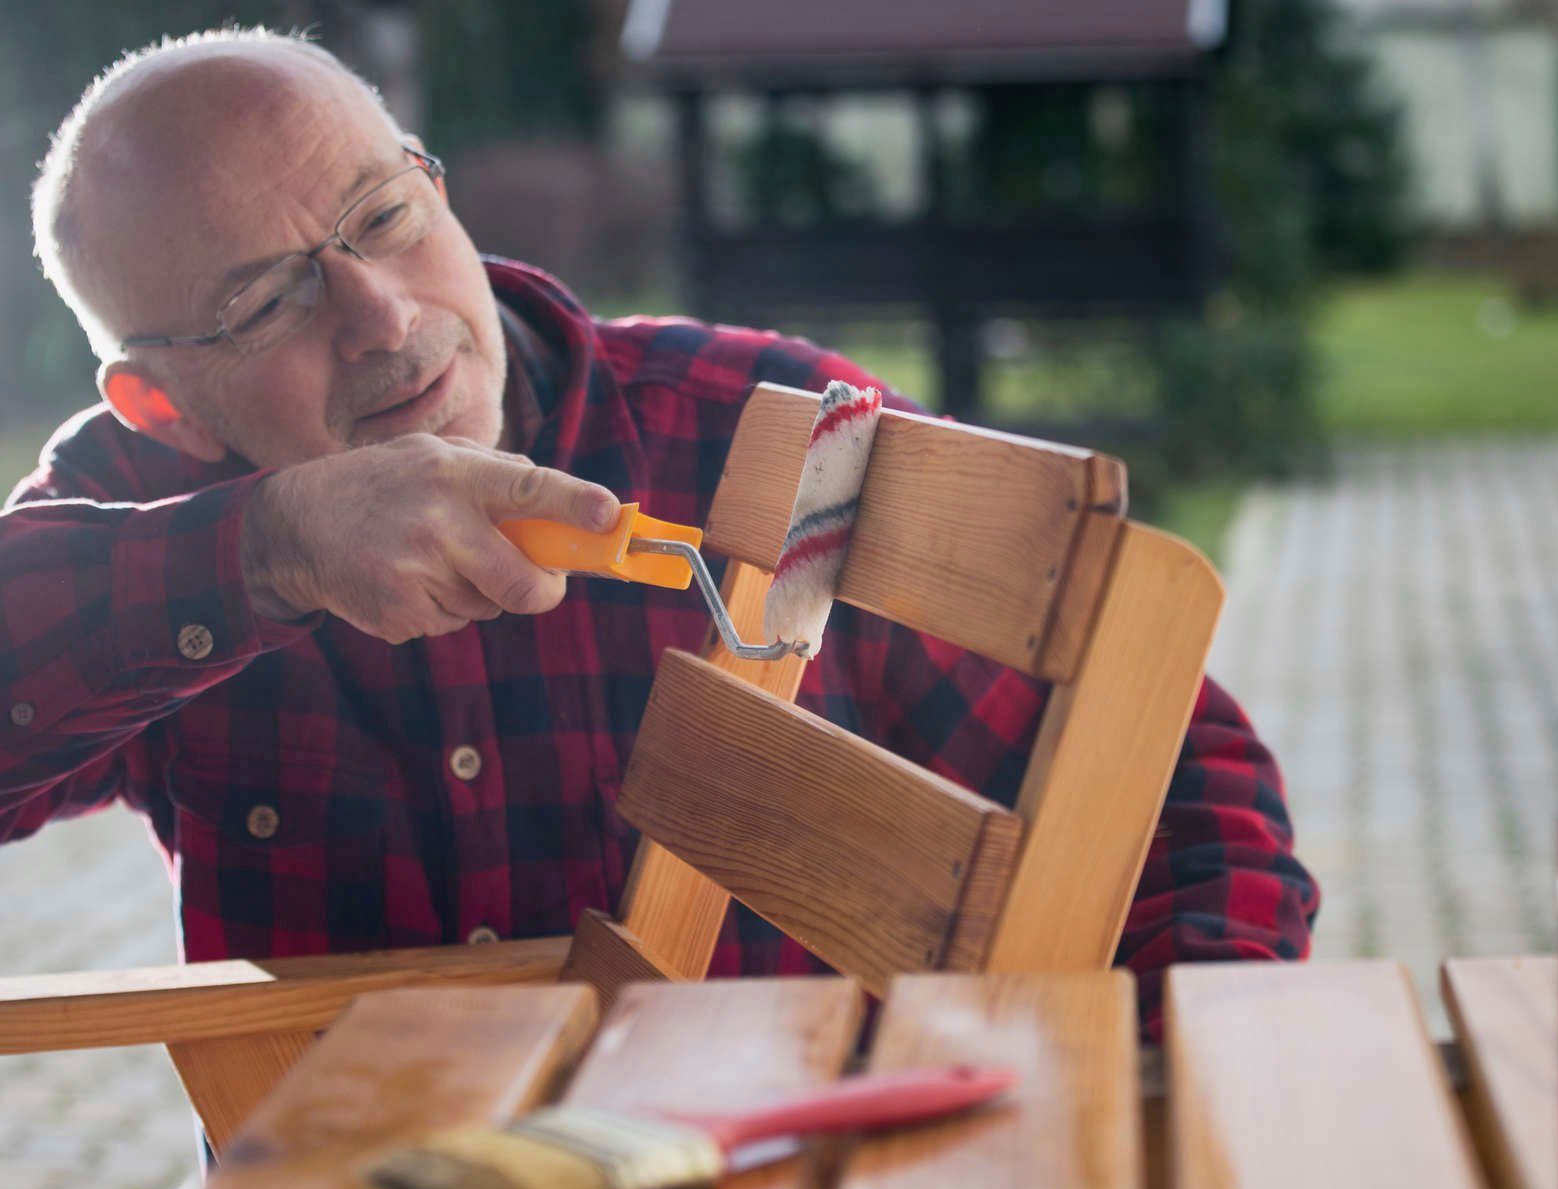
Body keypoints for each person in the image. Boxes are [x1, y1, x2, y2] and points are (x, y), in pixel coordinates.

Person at [4, 27, 1317, 1038]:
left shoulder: (773, 439)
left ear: (439, 189)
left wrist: (1176, 1066)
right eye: (268, 302)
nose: (384, 319)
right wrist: (265, 552)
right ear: (163, 408)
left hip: (774, 1176)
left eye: (383, 223)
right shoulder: (139, 500)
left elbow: (1170, 779)